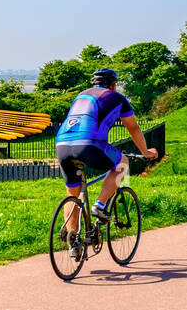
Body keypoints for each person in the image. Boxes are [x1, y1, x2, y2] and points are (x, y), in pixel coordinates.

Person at [55, 68, 158, 239]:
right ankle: (100, 205)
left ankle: (72, 240)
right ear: (113, 85)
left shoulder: (80, 95)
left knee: (73, 195)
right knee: (122, 163)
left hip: (62, 144)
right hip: (89, 142)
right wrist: (146, 152)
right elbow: (133, 128)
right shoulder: (117, 98)